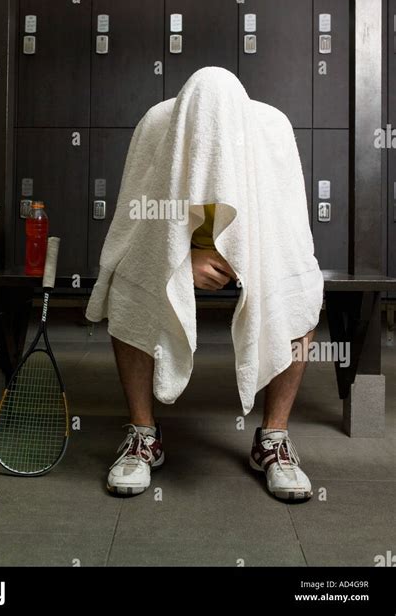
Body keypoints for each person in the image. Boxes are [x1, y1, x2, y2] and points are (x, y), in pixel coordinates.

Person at [86, 67, 323, 503]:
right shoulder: (159, 122)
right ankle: (144, 435)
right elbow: (139, 212)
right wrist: (181, 260)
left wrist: (245, 258)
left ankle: (273, 438)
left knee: (302, 289)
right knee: (127, 282)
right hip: (178, 249)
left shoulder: (270, 126)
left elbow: (284, 220)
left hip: (252, 248)